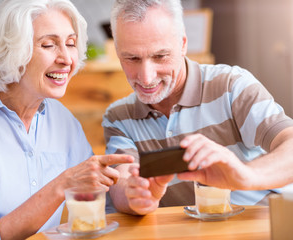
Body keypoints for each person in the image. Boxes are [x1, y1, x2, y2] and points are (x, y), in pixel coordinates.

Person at [0, 0, 134, 239]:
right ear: (10, 50)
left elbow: (103, 208)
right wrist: (61, 186)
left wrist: (133, 191)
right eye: (48, 45)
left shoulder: (63, 120)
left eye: (70, 44)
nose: (67, 58)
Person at [103, 0, 293, 216]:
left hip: (264, 225)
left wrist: (245, 175)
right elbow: (121, 185)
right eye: (132, 58)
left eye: (160, 56)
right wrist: (137, 197)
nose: (146, 77)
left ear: (183, 44)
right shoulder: (117, 117)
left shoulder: (231, 85)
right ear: (117, 52)